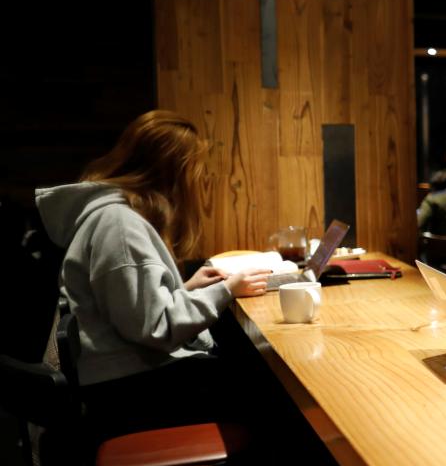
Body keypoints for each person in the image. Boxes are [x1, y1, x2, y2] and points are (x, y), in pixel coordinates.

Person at [34, 111, 272, 424]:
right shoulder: (119, 226)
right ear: (172, 173)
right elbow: (153, 328)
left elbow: (131, 309)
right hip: (132, 390)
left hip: (123, 378)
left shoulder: (114, 217)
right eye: (194, 173)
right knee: (263, 382)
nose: (198, 183)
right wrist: (225, 291)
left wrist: (187, 289)